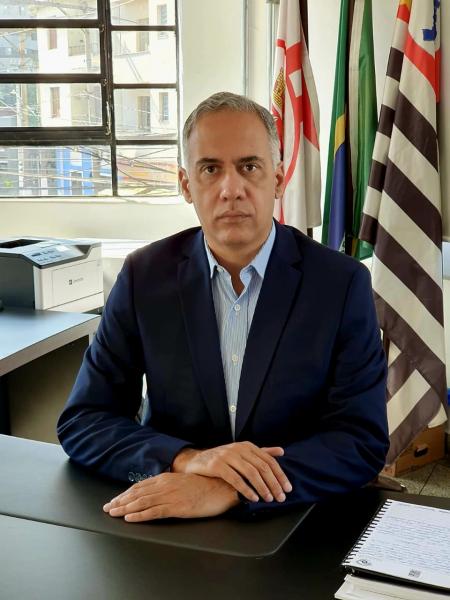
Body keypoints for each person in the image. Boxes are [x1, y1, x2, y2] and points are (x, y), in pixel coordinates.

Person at [57, 92, 389, 522]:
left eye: (249, 167)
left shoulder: (341, 284)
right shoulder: (144, 277)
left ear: (277, 179)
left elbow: (360, 440)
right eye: (211, 169)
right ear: (186, 185)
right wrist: (188, 460)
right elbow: (85, 420)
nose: (231, 190)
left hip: (295, 518)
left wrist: (230, 488)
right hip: (168, 513)